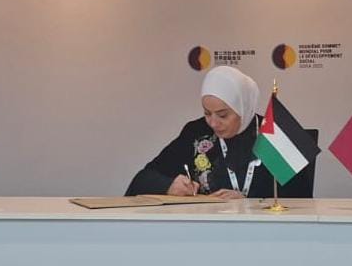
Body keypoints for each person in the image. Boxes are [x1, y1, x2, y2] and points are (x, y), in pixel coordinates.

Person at [126, 66, 312, 198]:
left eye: (223, 115)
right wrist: (168, 186)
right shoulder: (196, 132)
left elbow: (301, 202)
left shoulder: (274, 134)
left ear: (243, 108)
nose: (213, 123)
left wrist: (249, 203)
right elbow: (141, 180)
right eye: (207, 113)